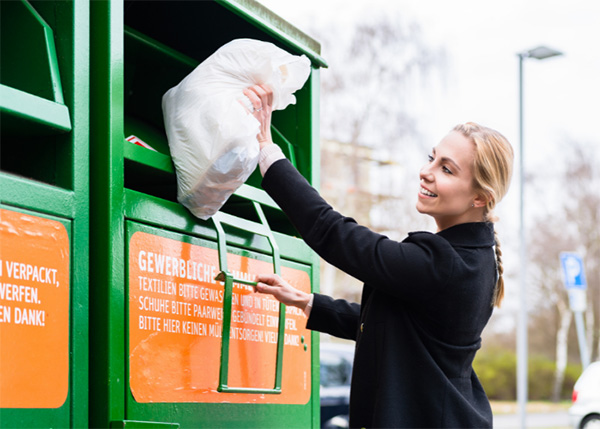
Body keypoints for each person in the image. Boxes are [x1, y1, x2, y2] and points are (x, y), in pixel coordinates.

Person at [243, 84, 514, 428]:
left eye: (447, 169)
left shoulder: (444, 263)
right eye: (432, 157)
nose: (426, 171)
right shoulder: (473, 259)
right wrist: (307, 301)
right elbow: (397, 328)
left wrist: (268, 154)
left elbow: (335, 234)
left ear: (479, 197)